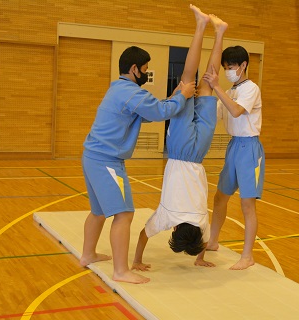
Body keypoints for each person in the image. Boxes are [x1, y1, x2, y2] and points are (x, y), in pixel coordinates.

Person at [79, 32, 196, 283]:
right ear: (134, 69)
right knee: (124, 214)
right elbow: (160, 112)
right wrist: (183, 96)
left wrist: (176, 95)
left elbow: (152, 110)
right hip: (106, 160)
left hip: (92, 156)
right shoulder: (132, 92)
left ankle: (87, 254)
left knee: (98, 211)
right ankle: (121, 271)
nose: (146, 73)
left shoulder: (119, 89)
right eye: (144, 69)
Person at [132, 6, 228, 271]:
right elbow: (143, 235)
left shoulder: (200, 222)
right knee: (188, 79)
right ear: (174, 230)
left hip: (200, 153)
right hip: (180, 149)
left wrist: (201, 258)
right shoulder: (167, 217)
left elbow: (204, 241)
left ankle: (219, 32)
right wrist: (137, 260)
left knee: (207, 83)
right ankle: (200, 25)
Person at [201, 45, 265, 270]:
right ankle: (213, 240)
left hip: (249, 149)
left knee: (247, 204)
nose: (228, 71)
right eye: (226, 67)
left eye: (231, 67)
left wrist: (217, 86)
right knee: (220, 197)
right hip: (233, 147)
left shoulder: (251, 88)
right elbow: (215, 112)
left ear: (243, 65)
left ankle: (247, 256)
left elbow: (237, 111)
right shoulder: (228, 92)